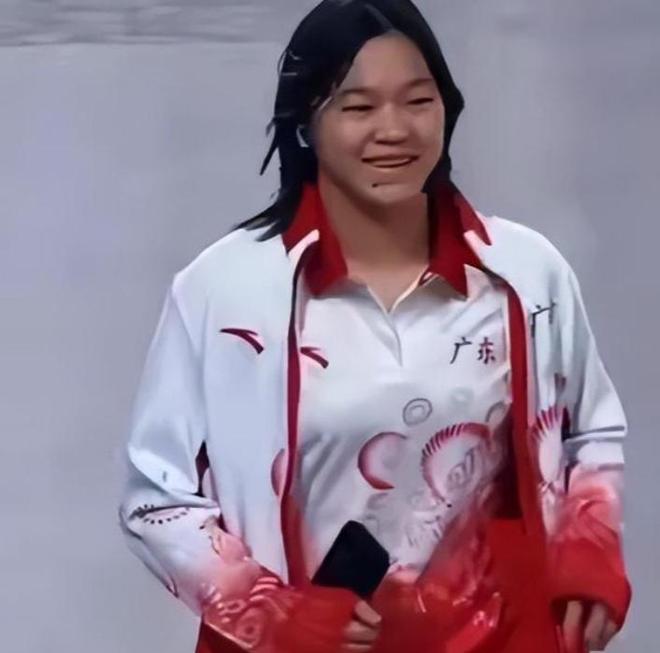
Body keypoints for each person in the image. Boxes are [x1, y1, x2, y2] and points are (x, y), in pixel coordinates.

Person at [117, 1, 631, 652]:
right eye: (358, 107)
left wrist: (588, 550)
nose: (394, 130)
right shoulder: (223, 292)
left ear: (447, 109)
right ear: (306, 124)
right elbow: (155, 498)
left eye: (418, 101)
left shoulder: (527, 273)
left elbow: (590, 429)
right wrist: (271, 614)